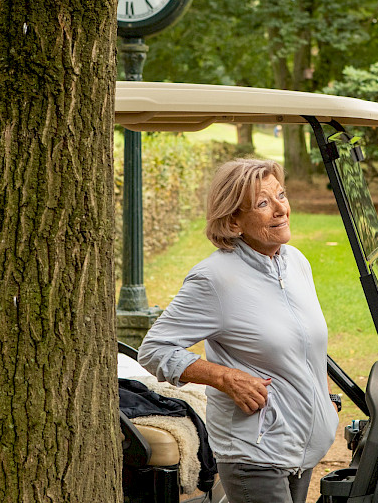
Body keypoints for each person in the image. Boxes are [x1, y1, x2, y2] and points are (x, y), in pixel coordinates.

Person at [138, 158, 338, 503]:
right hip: (255, 455)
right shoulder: (214, 279)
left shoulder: (296, 263)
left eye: (281, 195)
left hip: (300, 452)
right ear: (233, 221)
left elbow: (306, 346)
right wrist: (225, 377)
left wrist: (324, 398)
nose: (280, 209)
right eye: (263, 203)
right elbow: (155, 349)